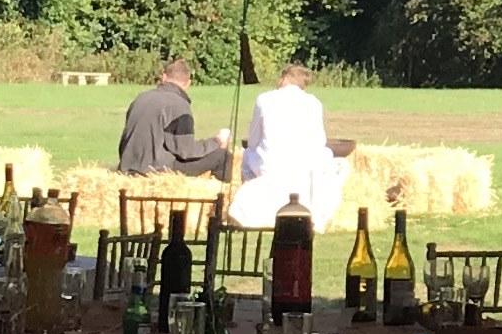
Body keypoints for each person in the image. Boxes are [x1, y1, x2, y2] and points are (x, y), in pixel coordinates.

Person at [234, 60, 350, 222]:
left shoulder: (264, 99)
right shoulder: (313, 102)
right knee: (335, 160)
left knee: (247, 154)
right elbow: (319, 141)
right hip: (305, 167)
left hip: (270, 166)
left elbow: (253, 140)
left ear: (284, 79)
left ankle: (253, 206)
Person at [116, 59, 233, 180]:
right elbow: (185, 151)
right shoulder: (180, 105)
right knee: (223, 156)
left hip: (127, 166)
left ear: (163, 77)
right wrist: (216, 142)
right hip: (155, 169)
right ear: (187, 83)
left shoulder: (140, 98)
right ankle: (222, 192)